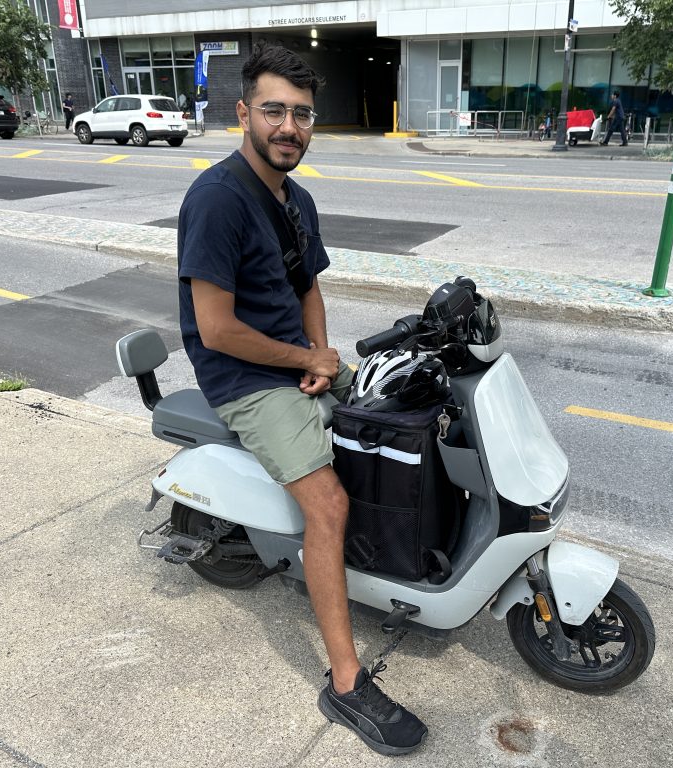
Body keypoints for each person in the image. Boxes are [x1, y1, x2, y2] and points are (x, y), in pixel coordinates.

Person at [176, 43, 428, 756]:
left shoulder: (297, 195)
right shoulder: (216, 199)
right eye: (275, 111)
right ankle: (347, 682)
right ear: (243, 113)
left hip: (293, 362)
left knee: (404, 410)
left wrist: (325, 358)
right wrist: (300, 360)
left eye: (302, 114)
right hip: (245, 378)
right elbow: (219, 330)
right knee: (329, 504)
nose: (289, 126)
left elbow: (307, 285)